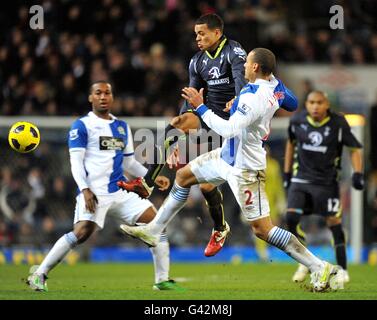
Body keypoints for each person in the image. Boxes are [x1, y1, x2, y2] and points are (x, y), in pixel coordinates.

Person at [119, 48, 343, 292]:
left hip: (245, 168)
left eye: (247, 63)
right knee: (183, 176)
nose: (243, 66)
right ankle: (155, 229)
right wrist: (250, 99)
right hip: (226, 157)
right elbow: (292, 102)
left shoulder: (252, 97)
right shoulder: (271, 87)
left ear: (256, 67)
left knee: (263, 230)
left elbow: (228, 130)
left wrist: (200, 106)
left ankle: (319, 266)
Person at [26, 81, 182, 292]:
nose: (103, 96)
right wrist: (85, 189)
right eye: (98, 93)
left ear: (112, 97)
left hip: (119, 191)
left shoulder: (121, 127)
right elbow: (76, 162)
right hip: (94, 193)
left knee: (157, 223)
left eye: (107, 93)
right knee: (81, 233)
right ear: (91, 98)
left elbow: (129, 163)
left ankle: (162, 280)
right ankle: (39, 274)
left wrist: (152, 178)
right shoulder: (81, 126)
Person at [118, 13, 248, 257]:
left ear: (217, 32)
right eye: (196, 34)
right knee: (176, 122)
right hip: (208, 118)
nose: (197, 38)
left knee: (208, 185)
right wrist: (177, 139)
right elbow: (190, 100)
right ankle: (147, 182)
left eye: (202, 33)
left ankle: (220, 228)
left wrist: (237, 100)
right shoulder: (197, 61)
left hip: (233, 124)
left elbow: (242, 81)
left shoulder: (234, 52)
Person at [283, 90, 364, 283]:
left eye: (319, 102)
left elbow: (354, 149)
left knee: (334, 224)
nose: (315, 106)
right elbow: (290, 144)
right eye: (311, 102)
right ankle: (305, 261)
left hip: (327, 183)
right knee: (291, 218)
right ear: (307, 104)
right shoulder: (297, 121)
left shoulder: (338, 123)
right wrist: (287, 174)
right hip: (301, 180)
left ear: (326, 104)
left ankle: (343, 269)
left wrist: (358, 173)